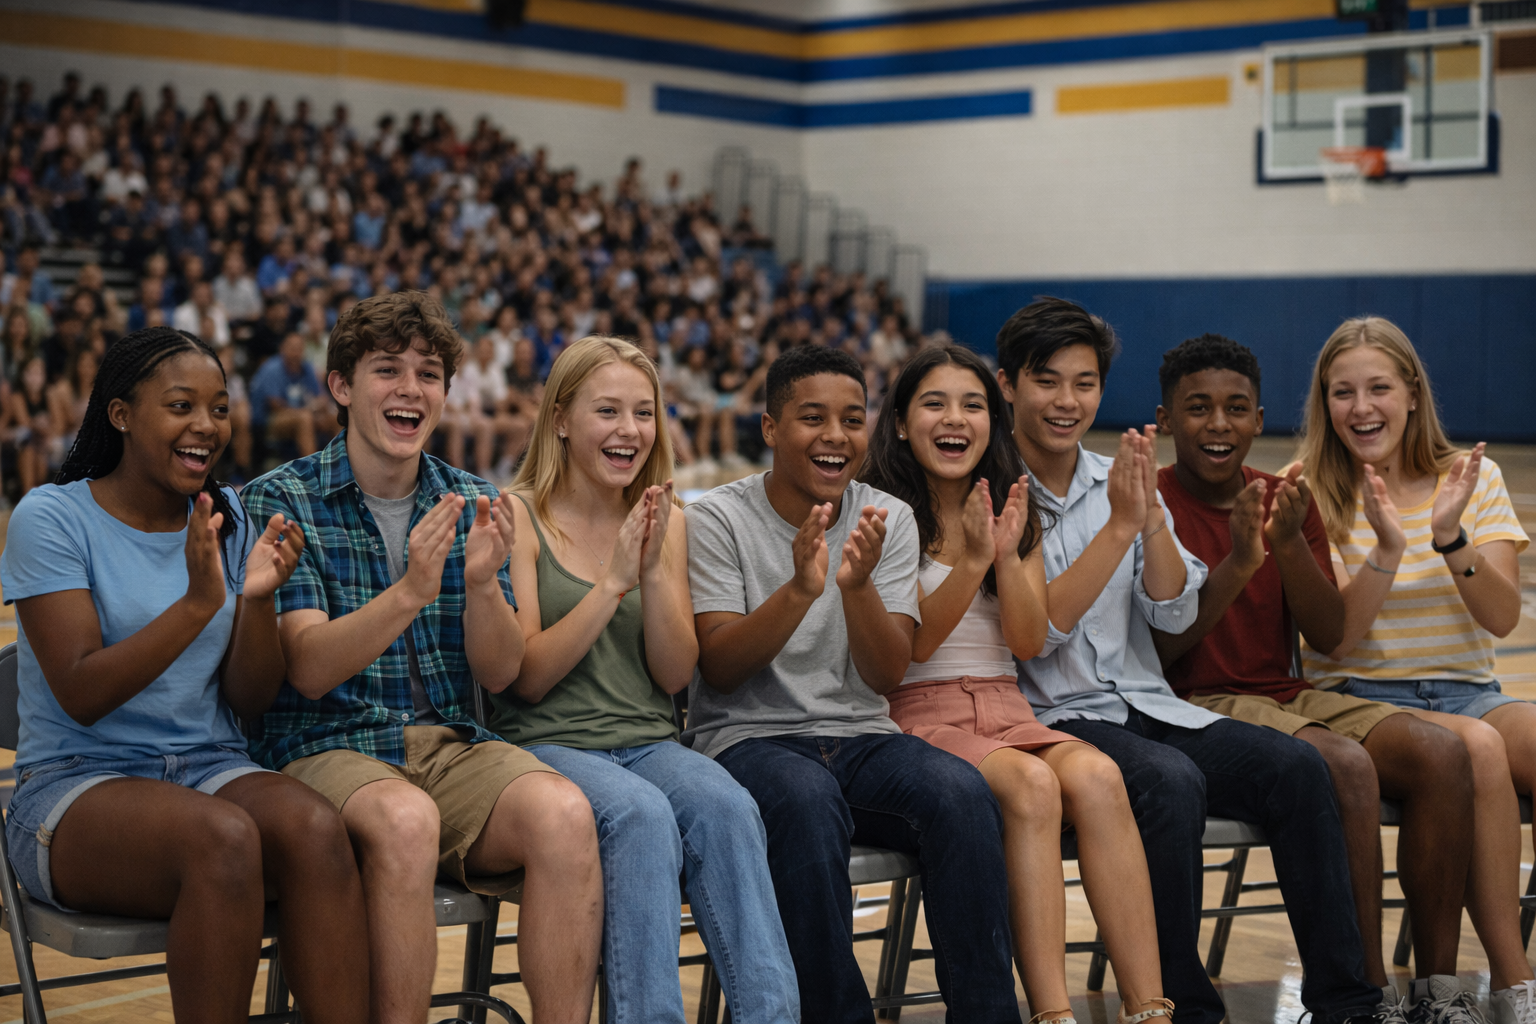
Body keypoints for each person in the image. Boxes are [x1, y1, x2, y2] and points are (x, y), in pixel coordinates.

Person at [998, 297, 1381, 1024]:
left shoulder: (1123, 477)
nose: (1067, 401)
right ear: (1009, 384)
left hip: (1147, 703)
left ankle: (1348, 1004)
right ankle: (1184, 1009)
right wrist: (1121, 527)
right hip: (1052, 716)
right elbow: (1039, 636)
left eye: (1084, 384)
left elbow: (1172, 612)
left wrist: (1150, 524)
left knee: (1298, 768)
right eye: (1048, 381)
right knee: (1169, 785)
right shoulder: (996, 489)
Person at [242, 292, 603, 1024]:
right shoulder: (282, 500)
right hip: (324, 745)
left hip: (449, 746)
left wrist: (478, 587)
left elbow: (499, 672)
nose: (412, 388)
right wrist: (410, 590)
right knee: (406, 822)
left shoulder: (471, 497)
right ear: (341, 387)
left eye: (429, 373)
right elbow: (307, 668)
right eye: (388, 370)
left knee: (566, 814)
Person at [0, 325, 369, 1023]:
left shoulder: (224, 515)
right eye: (180, 406)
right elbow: (80, 692)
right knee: (223, 839)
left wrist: (254, 600)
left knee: (319, 832)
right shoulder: (52, 517)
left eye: (221, 408)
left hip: (210, 765)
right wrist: (201, 603)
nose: (206, 426)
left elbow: (249, 699)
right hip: (76, 783)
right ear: (120, 414)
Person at [685, 344, 1022, 1024]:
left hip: (863, 736)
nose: (836, 436)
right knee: (806, 802)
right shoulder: (717, 517)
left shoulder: (885, 517)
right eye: (813, 418)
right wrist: (801, 590)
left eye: (851, 418)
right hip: (750, 741)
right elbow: (719, 666)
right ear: (772, 427)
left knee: (961, 793)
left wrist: (858, 586)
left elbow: (887, 671)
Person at [1153, 333, 1481, 1021]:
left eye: (1236, 408)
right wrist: (1243, 557)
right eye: (1199, 408)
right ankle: (1360, 997)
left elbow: (1327, 633)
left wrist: (1285, 544)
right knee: (1346, 764)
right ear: (1165, 418)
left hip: (1288, 692)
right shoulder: (1148, 506)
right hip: (1197, 703)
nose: (1219, 424)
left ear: (1260, 418)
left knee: (1442, 752)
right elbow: (1159, 651)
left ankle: (1437, 990)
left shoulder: (1286, 499)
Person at [491, 335, 798, 1022]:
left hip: (650, 742)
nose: (629, 430)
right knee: (640, 816)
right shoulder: (519, 516)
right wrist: (612, 581)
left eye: (643, 412)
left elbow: (673, 672)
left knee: (728, 807)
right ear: (562, 419)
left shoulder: (671, 521)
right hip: (544, 747)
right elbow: (527, 680)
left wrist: (657, 568)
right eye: (608, 411)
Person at [859, 343, 1169, 1024]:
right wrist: (971, 562)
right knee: (1033, 787)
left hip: (1005, 703)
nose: (956, 419)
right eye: (935, 403)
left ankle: (1150, 1009)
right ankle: (1052, 1013)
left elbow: (1029, 639)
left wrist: (1006, 548)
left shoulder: (1008, 504)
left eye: (973, 405)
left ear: (992, 423)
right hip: (916, 712)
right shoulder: (879, 513)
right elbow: (905, 652)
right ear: (904, 421)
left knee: (1099, 778)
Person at [1297, 316, 1536, 1024]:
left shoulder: (1474, 475)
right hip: (1359, 699)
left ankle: (1504, 980)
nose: (1362, 407)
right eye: (1343, 392)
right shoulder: (1306, 486)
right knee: (1478, 750)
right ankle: (1508, 981)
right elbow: (1336, 641)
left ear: (1411, 393)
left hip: (1470, 691)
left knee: (1498, 735)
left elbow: (1500, 618)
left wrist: (1450, 535)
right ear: (1324, 402)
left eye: (1378, 388)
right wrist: (1391, 550)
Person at [249, 331, 327, 457]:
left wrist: (318, 410)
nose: (296, 353)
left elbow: (322, 398)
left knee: (335, 418)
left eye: (299, 348)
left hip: (302, 413)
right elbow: (275, 405)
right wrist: (309, 411)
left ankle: (343, 469)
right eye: (292, 348)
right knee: (304, 418)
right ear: (282, 349)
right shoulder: (272, 368)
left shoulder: (307, 367)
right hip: (267, 421)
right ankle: (313, 473)